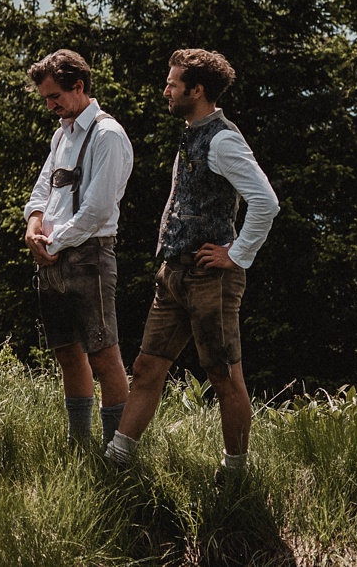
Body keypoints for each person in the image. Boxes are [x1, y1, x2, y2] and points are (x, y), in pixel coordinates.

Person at [105, 49, 279, 475]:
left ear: (196, 90)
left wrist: (235, 255)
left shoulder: (222, 138)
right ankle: (116, 460)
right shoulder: (192, 132)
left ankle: (235, 471)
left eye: (173, 83)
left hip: (210, 278)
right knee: (147, 366)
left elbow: (265, 201)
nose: (165, 89)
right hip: (175, 274)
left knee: (223, 376)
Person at [23, 50, 133, 450]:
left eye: (55, 97)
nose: (50, 106)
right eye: (46, 99)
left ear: (80, 86)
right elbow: (43, 189)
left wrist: (52, 241)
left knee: (104, 354)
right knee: (67, 352)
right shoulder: (62, 134)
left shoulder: (107, 135)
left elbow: (98, 209)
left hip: (89, 257)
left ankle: (116, 450)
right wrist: (34, 227)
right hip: (52, 256)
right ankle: (79, 443)